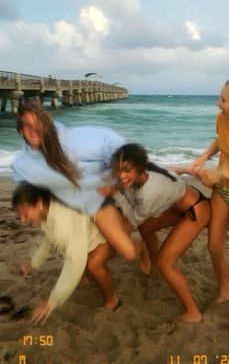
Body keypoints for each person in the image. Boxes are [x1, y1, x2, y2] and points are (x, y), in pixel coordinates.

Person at [12, 102, 137, 262]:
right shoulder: (24, 163)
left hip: (95, 199)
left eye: (38, 124)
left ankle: (133, 233)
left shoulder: (68, 140)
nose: (34, 129)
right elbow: (28, 192)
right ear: (21, 130)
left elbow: (111, 146)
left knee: (128, 253)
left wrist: (112, 178)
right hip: (70, 205)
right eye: (28, 125)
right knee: (71, 246)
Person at [108, 143, 210, 323]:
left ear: (139, 168)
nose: (121, 176)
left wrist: (116, 194)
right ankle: (152, 263)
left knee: (166, 263)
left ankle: (192, 312)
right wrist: (186, 169)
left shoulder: (149, 193)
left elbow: (134, 218)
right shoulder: (148, 170)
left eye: (126, 170)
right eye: (118, 170)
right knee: (147, 228)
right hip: (180, 206)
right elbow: (170, 170)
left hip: (195, 212)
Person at [12, 182, 121, 324]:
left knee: (93, 265)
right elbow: (49, 240)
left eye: (25, 214)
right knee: (65, 249)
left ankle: (112, 300)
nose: (23, 220)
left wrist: (53, 301)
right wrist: (33, 264)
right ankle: (82, 279)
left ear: (39, 203)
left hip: (106, 234)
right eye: (20, 215)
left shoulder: (63, 222)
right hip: (83, 236)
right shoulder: (48, 209)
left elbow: (75, 263)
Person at [190, 78, 229, 302]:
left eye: (224, 100)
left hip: (225, 179)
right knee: (214, 243)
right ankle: (224, 291)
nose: (218, 104)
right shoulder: (223, 118)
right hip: (226, 189)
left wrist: (221, 174)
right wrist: (204, 156)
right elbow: (221, 139)